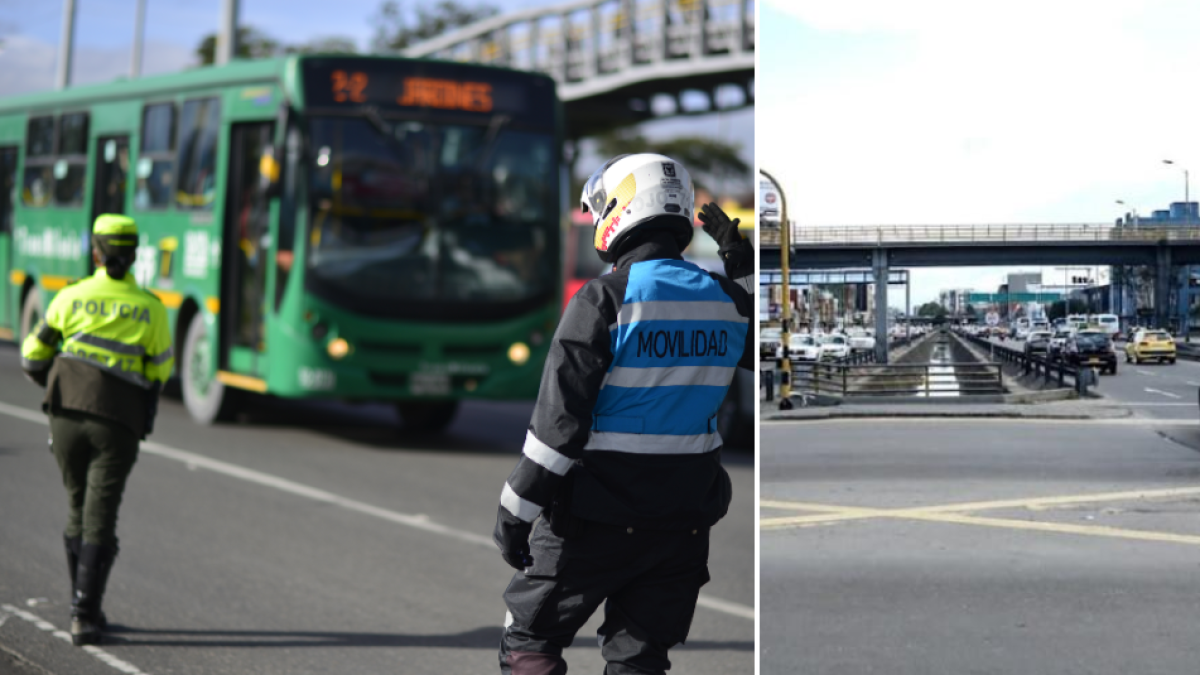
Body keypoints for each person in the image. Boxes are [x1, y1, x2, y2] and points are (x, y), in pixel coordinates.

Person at [492, 153, 754, 674]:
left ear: (622, 209)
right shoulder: (725, 299)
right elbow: (766, 344)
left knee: (530, 642)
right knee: (639, 657)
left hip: (593, 516)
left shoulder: (603, 299)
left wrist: (514, 512)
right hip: (682, 521)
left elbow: (556, 431)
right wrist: (740, 266)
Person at [20, 214, 174, 646]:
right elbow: (161, 368)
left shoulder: (71, 296)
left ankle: (81, 604)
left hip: (65, 411)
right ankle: (85, 615)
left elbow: (33, 355)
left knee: (77, 504)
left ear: (95, 252)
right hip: (118, 423)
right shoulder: (151, 308)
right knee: (100, 513)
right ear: (135, 254)